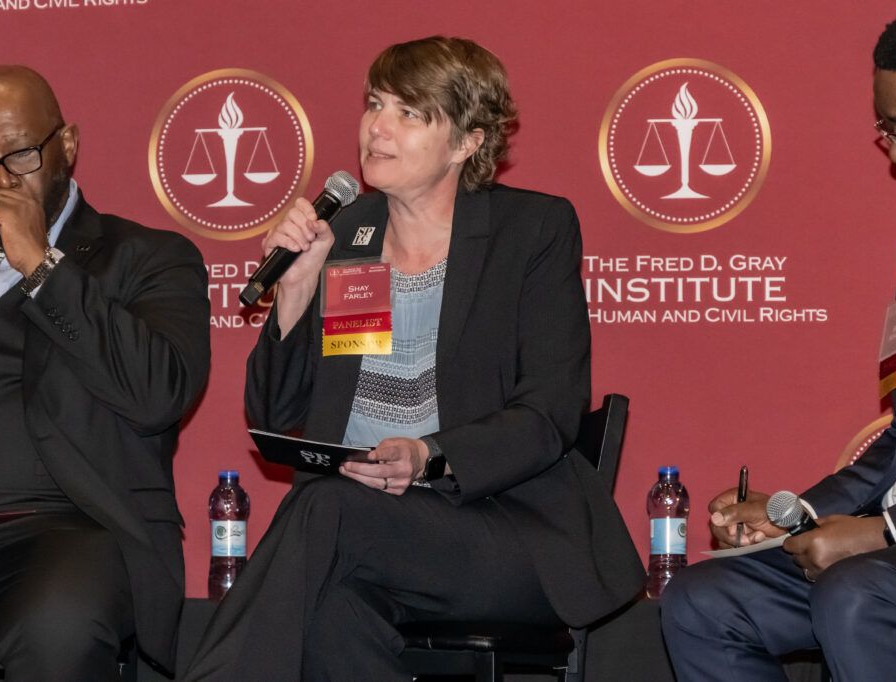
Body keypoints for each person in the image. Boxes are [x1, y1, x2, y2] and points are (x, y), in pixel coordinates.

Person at [183, 36, 644, 681]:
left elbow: (549, 413)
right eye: (375, 104)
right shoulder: (345, 235)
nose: (379, 127)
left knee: (321, 509)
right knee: (335, 611)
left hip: (504, 532)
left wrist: (429, 453)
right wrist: (295, 292)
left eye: (410, 113)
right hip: (365, 533)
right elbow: (277, 419)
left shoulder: (530, 231)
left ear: (468, 142)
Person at [660, 1, 896, 679]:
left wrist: (884, 532)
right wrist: (801, 512)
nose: (895, 155)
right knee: (703, 601)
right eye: (886, 134)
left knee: (856, 593)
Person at [0, 66, 210, 679]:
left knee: (60, 623)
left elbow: (158, 394)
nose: (0, 181)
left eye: (21, 155)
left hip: (67, 527)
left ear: (68, 146)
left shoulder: (147, 258)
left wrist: (41, 266)